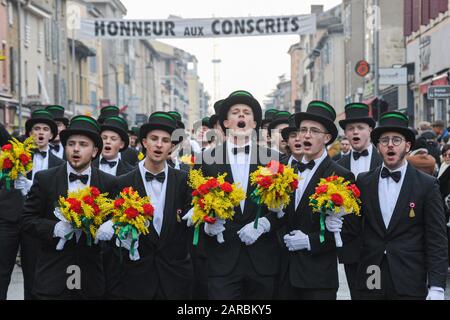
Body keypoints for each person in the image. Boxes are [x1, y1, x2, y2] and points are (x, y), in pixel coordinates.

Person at [333, 111, 448, 300]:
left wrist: (437, 286)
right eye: (385, 141)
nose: (390, 145)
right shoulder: (364, 181)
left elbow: (437, 239)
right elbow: (354, 225)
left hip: (408, 276)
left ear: (408, 145)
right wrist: (335, 217)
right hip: (372, 271)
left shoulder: (426, 184)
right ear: (378, 146)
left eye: (396, 140)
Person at [185, 90, 282, 300]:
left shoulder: (273, 160)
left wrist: (264, 224)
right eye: (235, 112)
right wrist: (208, 224)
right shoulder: (205, 159)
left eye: (246, 112)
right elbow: (194, 202)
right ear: (226, 123)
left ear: (254, 123)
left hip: (262, 260)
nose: (241, 116)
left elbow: (284, 208)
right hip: (221, 260)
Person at [97, 112, 194, 299]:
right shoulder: (122, 182)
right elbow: (109, 231)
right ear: (144, 142)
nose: (159, 144)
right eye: (154, 139)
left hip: (175, 279)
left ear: (172, 147)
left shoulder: (185, 180)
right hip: (135, 279)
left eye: (165, 140)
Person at [22, 115, 118, 299]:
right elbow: (27, 220)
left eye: (83, 144)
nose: (76, 149)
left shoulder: (109, 183)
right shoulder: (45, 179)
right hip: (53, 274)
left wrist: (113, 225)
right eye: (71, 143)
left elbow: (116, 222)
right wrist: (54, 228)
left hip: (92, 275)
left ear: (95, 151)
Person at [277, 100, 354, 300]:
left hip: (318, 276)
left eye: (314, 131)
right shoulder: (286, 171)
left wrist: (310, 241)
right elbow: (281, 215)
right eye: (303, 130)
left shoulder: (341, 175)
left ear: (327, 137)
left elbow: (348, 229)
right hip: (285, 274)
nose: (306, 135)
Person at [336, 102, 382, 299]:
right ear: (345, 133)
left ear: (370, 130)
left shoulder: (384, 161)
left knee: (374, 292)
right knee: (356, 295)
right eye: (350, 128)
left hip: (377, 246)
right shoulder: (338, 167)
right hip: (351, 247)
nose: (355, 132)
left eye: (360, 128)